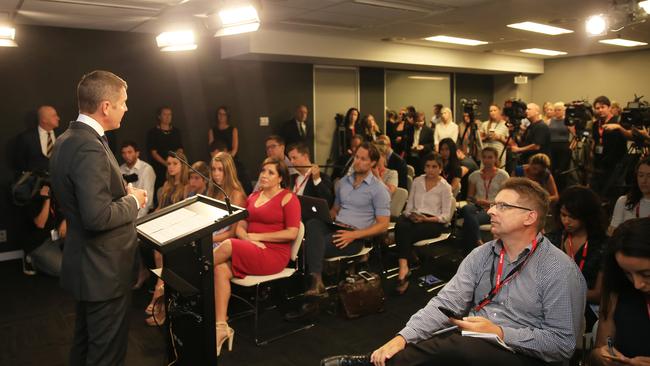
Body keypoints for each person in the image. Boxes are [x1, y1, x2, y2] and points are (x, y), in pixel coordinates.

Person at [322, 178, 587, 366]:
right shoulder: (482, 255)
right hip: (474, 340)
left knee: (462, 348)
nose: (491, 211)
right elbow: (445, 303)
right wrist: (401, 339)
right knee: (446, 343)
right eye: (494, 204)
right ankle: (382, 359)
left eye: (503, 206)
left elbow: (561, 344)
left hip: (524, 354)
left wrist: (500, 333)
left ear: (530, 217)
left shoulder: (558, 270)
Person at [49, 70, 147, 366]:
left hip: (88, 265)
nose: (126, 108)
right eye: (123, 102)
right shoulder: (88, 145)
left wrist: (120, 194)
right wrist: (133, 199)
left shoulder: (67, 139)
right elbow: (98, 216)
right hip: (103, 270)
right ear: (106, 106)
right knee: (106, 355)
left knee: (84, 346)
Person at [213, 158, 300, 355]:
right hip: (251, 247)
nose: (264, 175)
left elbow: (292, 233)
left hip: (274, 254)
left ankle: (194, 270)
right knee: (219, 269)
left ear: (280, 178)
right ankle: (221, 327)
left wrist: (256, 237)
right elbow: (242, 224)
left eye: (270, 172)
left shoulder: (288, 198)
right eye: (263, 170)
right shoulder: (253, 196)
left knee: (227, 245)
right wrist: (247, 238)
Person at [303, 142, 390, 297]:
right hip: (336, 225)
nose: (358, 161)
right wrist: (326, 214)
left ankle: (315, 282)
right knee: (313, 223)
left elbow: (383, 225)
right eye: (356, 157)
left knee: (311, 245)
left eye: (363, 159)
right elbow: (335, 209)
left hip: (355, 235)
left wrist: (353, 235)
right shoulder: (344, 182)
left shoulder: (379, 189)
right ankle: (317, 281)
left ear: (373, 163)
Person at [590, 218, 650, 365]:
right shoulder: (617, 290)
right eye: (627, 273)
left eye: (647, 274)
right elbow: (600, 348)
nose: (637, 284)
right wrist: (601, 355)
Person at [546, 185, 606, 330]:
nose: (566, 221)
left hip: (587, 310)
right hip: (549, 306)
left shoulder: (602, 245)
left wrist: (562, 292)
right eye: (563, 215)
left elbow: (599, 294)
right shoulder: (551, 240)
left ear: (587, 216)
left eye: (572, 217)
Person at [394, 153, 452, 294]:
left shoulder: (445, 187)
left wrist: (425, 219)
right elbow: (408, 209)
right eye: (427, 166)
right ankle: (405, 266)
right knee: (402, 223)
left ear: (440, 168)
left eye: (434, 167)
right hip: (415, 218)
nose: (430, 170)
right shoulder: (417, 181)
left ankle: (404, 266)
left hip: (432, 222)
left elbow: (445, 217)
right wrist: (412, 215)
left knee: (403, 229)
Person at [145, 149, 190, 326]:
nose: (171, 167)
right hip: (163, 227)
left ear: (182, 166)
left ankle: (158, 297)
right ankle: (159, 294)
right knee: (156, 250)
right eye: (169, 164)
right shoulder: (166, 185)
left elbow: (184, 213)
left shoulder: (187, 187)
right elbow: (159, 209)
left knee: (160, 253)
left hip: (177, 229)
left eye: (175, 164)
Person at [460, 147, 509, 251]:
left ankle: (470, 250)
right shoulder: (475, 175)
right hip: (477, 206)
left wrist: (488, 203)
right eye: (485, 157)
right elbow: (469, 197)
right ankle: (479, 242)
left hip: (495, 208)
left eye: (490, 157)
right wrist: (477, 202)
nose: (487, 160)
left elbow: (505, 200)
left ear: (496, 159)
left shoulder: (503, 175)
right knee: (466, 208)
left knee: (468, 222)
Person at [21, 182, 66, 277]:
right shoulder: (33, 200)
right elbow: (40, 223)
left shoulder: (58, 197)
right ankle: (31, 259)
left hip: (55, 239)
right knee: (63, 270)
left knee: (79, 264)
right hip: (39, 243)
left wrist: (66, 220)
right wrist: (46, 199)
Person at [591, 96, 632, 196]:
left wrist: (618, 127)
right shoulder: (596, 124)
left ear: (609, 107)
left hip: (617, 164)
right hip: (600, 164)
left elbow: (631, 136)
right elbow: (595, 140)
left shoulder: (619, 120)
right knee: (600, 192)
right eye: (597, 108)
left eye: (602, 107)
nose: (600, 110)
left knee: (613, 193)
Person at [208, 152, 247, 246]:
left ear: (228, 171)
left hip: (223, 243)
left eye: (220, 170)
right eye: (213, 169)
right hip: (210, 236)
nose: (216, 174)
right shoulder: (213, 191)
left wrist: (207, 240)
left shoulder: (236, 195)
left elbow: (232, 233)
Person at [146, 106, 183, 201]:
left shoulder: (176, 131)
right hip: (160, 168)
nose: (168, 117)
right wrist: (167, 164)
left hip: (175, 165)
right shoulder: (153, 132)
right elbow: (154, 153)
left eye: (169, 114)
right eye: (165, 114)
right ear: (159, 116)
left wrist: (176, 161)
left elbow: (180, 148)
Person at [609, 156, 650, 234]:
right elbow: (613, 233)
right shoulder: (624, 201)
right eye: (641, 175)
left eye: (649, 176)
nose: (644, 181)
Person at [14, 105, 60, 173]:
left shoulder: (63, 136)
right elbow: (20, 163)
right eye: (54, 116)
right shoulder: (26, 138)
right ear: (44, 119)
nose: (58, 118)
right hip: (36, 181)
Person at [287, 143, 334, 207]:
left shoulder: (322, 177)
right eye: (290, 159)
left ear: (305, 157)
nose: (291, 162)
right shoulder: (291, 178)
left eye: (294, 158)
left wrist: (317, 180)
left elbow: (328, 202)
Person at [119, 140, 155, 218]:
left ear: (137, 153)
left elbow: (147, 198)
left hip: (145, 213)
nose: (126, 155)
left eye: (129, 152)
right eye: (124, 153)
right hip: (127, 212)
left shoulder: (146, 169)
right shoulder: (120, 170)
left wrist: (136, 219)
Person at [548, 102, 570, 191]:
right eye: (555, 110)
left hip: (564, 147)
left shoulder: (567, 121)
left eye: (559, 110)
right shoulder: (550, 121)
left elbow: (574, 135)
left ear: (564, 111)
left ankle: (562, 189)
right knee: (552, 168)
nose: (557, 112)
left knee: (562, 169)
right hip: (552, 147)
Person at [406, 111, 434, 176]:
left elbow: (431, 144)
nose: (419, 123)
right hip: (410, 158)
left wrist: (423, 147)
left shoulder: (428, 131)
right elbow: (405, 143)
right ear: (414, 120)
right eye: (417, 121)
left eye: (421, 121)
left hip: (422, 158)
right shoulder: (408, 129)